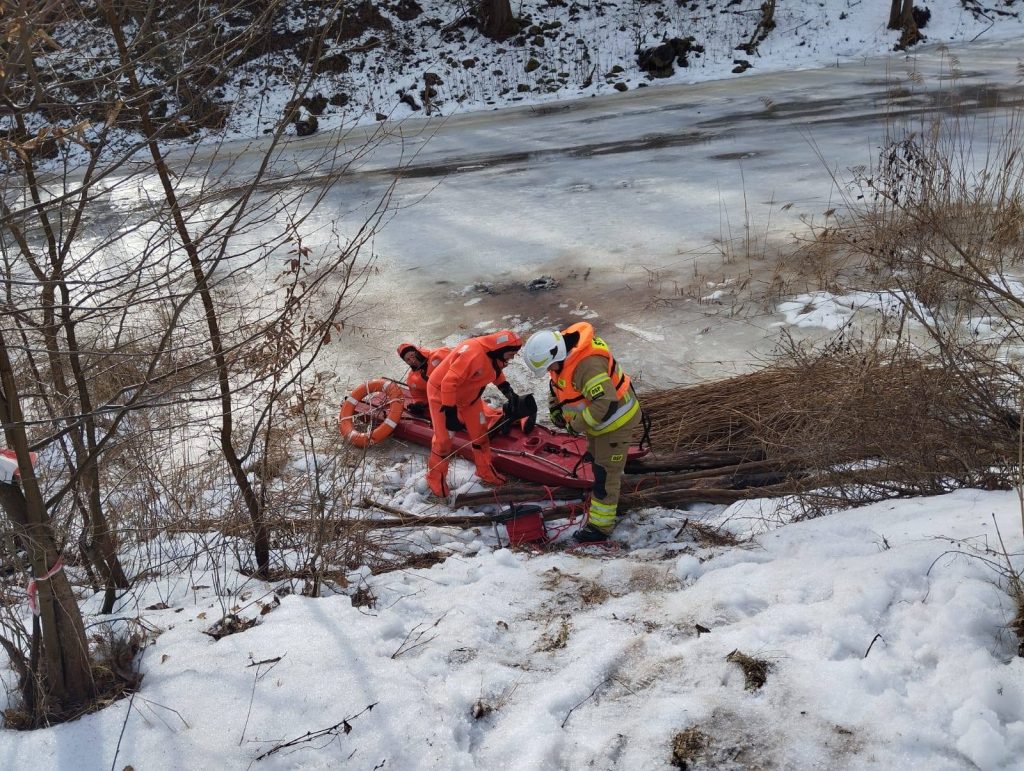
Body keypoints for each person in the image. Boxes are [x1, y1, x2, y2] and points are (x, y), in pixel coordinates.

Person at [522, 323, 642, 542]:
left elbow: (605, 402)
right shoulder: (563, 357)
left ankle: (600, 528)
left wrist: (575, 425)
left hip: (616, 423)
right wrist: (556, 408)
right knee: (597, 464)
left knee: (606, 474)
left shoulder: (586, 366)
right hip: (599, 425)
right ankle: (602, 502)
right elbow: (558, 385)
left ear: (556, 354)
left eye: (551, 366)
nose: (551, 371)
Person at [425, 330, 524, 497]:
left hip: (470, 397)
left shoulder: (495, 355)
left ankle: (485, 470)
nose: (512, 358)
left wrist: (507, 390)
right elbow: (448, 383)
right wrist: (450, 413)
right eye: (511, 354)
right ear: (501, 349)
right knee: (443, 441)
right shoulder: (472, 354)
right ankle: (435, 478)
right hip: (441, 395)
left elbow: (494, 370)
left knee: (480, 434)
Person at [397, 342, 450, 415]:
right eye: (408, 359)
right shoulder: (412, 380)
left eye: (412, 355)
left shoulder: (440, 354)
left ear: (417, 351)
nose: (412, 360)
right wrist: (418, 405)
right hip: (444, 404)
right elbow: (419, 396)